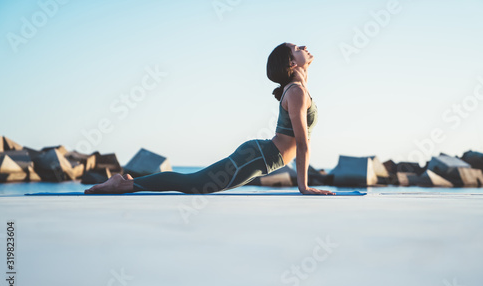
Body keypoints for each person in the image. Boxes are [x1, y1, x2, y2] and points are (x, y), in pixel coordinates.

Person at [84, 42, 334, 195]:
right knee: (192, 183)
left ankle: (128, 181)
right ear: (291, 62)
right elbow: (302, 143)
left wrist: (303, 67)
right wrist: (304, 187)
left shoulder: (297, 88)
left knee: (193, 182)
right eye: (297, 49)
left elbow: (299, 78)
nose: (303, 47)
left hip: (260, 157)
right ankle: (124, 184)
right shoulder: (297, 92)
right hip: (258, 157)